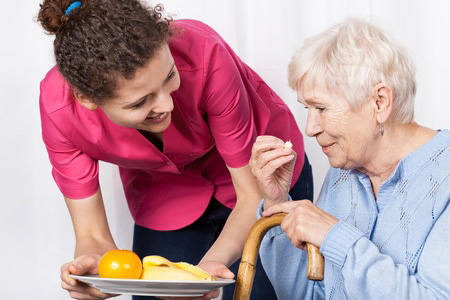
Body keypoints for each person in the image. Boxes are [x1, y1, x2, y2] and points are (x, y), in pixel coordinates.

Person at [37, 0, 313, 299]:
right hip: (165, 195)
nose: (167, 105)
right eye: (139, 102)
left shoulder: (205, 52)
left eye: (170, 76)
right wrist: (98, 270)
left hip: (258, 180)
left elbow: (252, 196)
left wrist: (204, 271)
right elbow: (92, 235)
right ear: (88, 98)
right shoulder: (60, 110)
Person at [250, 18, 450, 299]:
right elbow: (303, 295)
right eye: (307, 108)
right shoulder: (344, 172)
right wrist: (278, 203)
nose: (310, 128)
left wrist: (335, 237)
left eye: (321, 107)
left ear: (380, 102)